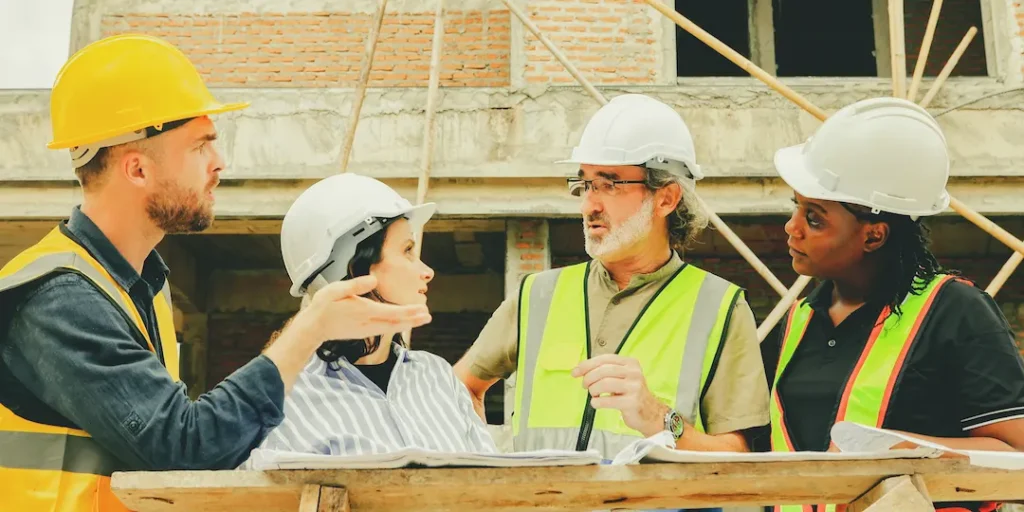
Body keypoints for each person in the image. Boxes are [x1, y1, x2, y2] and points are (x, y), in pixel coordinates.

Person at [0, 35, 430, 512]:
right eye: (201, 146)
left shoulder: (137, 286)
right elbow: (187, 449)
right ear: (138, 169)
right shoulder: (59, 300)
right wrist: (311, 327)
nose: (219, 163)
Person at [454, 93, 771, 461]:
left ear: (666, 199)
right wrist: (487, 473)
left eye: (609, 184)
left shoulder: (720, 308)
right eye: (586, 184)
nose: (589, 205)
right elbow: (459, 390)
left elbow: (740, 456)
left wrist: (657, 417)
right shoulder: (537, 295)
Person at [761, 96, 1024, 512]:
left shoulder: (956, 311)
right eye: (796, 207)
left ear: (874, 235)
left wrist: (904, 452)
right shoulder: (800, 317)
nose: (792, 228)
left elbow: (1015, 455)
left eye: (815, 218)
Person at [245, 173, 497, 461]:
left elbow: (493, 486)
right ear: (355, 269)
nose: (427, 271)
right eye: (407, 251)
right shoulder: (287, 400)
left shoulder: (437, 377)